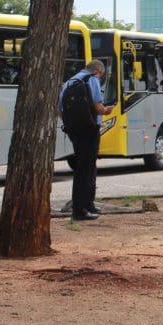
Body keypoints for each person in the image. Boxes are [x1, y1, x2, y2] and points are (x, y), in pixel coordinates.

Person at [59, 59, 108, 220]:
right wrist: (108, 110)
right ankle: (82, 209)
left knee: (82, 167)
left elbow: (60, 111)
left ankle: (86, 205)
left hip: (74, 131)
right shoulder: (92, 79)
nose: (99, 78)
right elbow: (98, 108)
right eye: (101, 75)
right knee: (87, 169)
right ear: (97, 71)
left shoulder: (69, 82)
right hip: (90, 129)